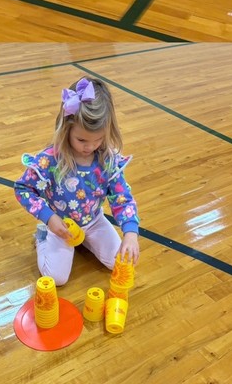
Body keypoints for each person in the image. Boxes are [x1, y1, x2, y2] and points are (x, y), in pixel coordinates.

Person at [14, 77, 140, 286]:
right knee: (56, 278)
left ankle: (86, 240)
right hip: (60, 225)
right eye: (81, 140)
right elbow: (23, 189)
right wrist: (49, 219)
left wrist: (131, 234)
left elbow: (122, 199)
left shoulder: (107, 159)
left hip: (94, 220)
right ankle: (42, 236)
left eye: (98, 139)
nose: (89, 147)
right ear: (67, 129)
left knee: (119, 262)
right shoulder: (50, 159)